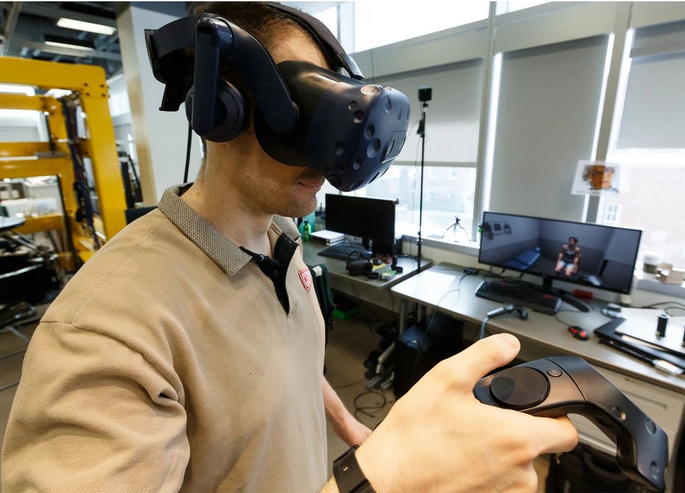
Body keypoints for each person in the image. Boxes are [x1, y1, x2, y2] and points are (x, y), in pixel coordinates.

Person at [1, 3, 578, 492]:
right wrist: (391, 475)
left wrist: (347, 424)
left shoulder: (282, 241)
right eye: (310, 120)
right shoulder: (104, 335)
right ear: (220, 108)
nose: (330, 160)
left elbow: (284, 361)